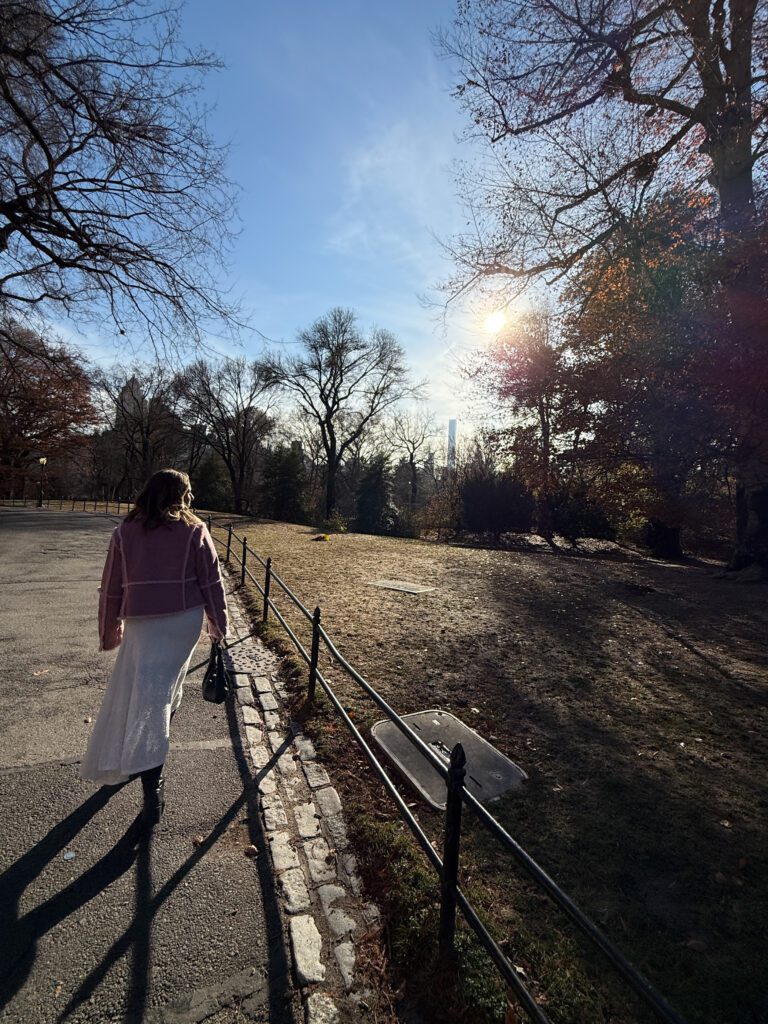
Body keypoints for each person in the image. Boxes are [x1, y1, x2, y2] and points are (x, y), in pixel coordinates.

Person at [80, 469, 228, 828]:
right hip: (182, 623)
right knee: (161, 695)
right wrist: (218, 624)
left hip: (143, 626)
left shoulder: (125, 532)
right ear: (180, 495)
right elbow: (212, 580)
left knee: (150, 695)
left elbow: (111, 586)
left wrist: (109, 630)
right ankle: (150, 771)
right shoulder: (194, 531)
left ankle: (149, 778)